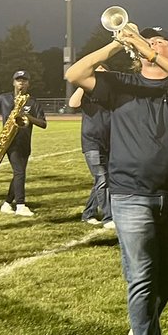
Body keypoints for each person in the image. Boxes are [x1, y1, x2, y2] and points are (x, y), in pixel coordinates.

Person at [65, 25, 168, 335]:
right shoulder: (118, 83)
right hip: (129, 193)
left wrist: (150, 51)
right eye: (148, 40)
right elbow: (74, 74)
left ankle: (141, 325)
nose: (152, 44)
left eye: (161, 43)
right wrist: (116, 44)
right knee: (142, 275)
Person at [0, 70, 48, 217]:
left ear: (28, 84)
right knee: (19, 172)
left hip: (24, 143)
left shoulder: (33, 102)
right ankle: (20, 205)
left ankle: (7, 204)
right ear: (13, 82)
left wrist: (28, 117)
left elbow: (43, 124)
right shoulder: (3, 99)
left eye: (24, 80)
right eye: (18, 80)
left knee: (19, 173)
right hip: (10, 141)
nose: (21, 83)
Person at [68, 65, 113, 227]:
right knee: (102, 178)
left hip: (109, 142)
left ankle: (88, 213)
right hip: (92, 142)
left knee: (104, 180)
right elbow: (73, 103)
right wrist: (84, 84)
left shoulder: (111, 93)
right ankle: (108, 217)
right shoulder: (86, 92)